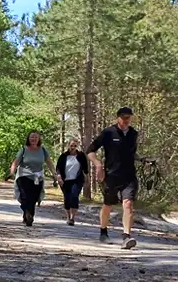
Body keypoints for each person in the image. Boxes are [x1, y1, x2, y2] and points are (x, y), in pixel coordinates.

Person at [87, 106, 143, 249]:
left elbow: (131, 153)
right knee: (108, 204)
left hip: (129, 176)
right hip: (111, 175)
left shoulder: (133, 134)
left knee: (128, 204)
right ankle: (103, 231)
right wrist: (98, 165)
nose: (126, 120)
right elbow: (90, 151)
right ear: (118, 118)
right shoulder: (108, 133)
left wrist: (142, 159)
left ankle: (126, 236)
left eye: (128, 117)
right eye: (123, 117)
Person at [10, 131, 62, 227]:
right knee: (25, 196)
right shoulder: (23, 150)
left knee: (34, 197)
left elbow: (49, 163)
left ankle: (28, 215)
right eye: (31, 137)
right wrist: (12, 172)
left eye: (35, 137)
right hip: (24, 175)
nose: (33, 139)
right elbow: (15, 162)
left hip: (38, 177)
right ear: (28, 139)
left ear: (38, 139)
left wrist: (55, 174)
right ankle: (28, 215)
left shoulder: (43, 150)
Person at [56, 138, 88, 226]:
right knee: (67, 198)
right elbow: (58, 168)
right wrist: (59, 177)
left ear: (77, 146)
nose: (73, 147)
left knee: (74, 196)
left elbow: (85, 167)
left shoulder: (81, 155)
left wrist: (87, 176)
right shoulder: (63, 156)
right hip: (65, 181)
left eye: (75, 146)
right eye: (71, 145)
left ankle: (72, 218)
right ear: (68, 146)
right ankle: (68, 216)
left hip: (77, 180)